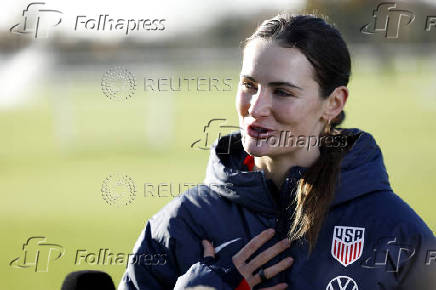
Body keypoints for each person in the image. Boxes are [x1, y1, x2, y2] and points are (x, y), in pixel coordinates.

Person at [118, 14, 436, 289]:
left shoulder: (394, 230)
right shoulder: (181, 224)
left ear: (334, 102)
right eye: (249, 85)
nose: (256, 107)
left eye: (282, 92)